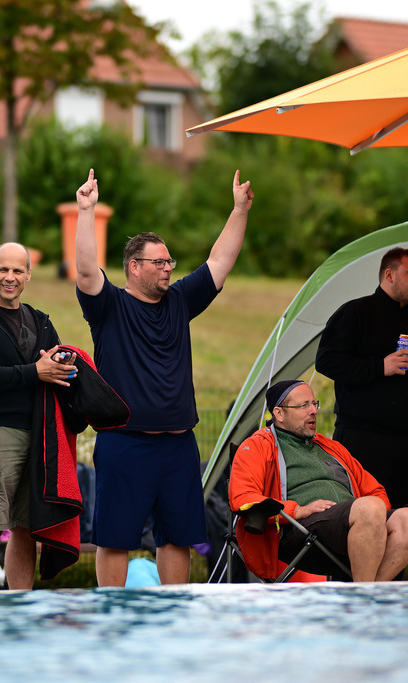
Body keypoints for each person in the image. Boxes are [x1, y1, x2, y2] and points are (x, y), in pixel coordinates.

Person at [74, 167, 254, 587]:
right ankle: (113, 615)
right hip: (124, 442)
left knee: (177, 539)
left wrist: (239, 210)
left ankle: (177, 615)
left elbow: (219, 262)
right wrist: (87, 211)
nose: (169, 268)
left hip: (178, 444)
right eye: (160, 262)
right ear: (134, 267)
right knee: (115, 540)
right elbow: (85, 271)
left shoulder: (179, 301)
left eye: (170, 261)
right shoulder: (109, 307)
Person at [0, 242, 77, 590]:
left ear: (28, 275)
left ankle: (20, 606)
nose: (10, 278)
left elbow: (55, 370)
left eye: (17, 271)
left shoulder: (41, 321)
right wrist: (34, 372)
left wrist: (65, 369)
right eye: (3, 270)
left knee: (27, 528)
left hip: (39, 436)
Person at [229, 379, 408, 581]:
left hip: (351, 523)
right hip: (298, 531)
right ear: (279, 414)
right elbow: (242, 497)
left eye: (314, 404)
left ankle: (368, 593)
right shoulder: (258, 445)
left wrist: (372, 519)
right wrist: (297, 510)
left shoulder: (331, 447)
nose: (313, 411)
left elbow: (375, 491)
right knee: (370, 507)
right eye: (303, 405)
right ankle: (367, 599)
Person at [315, 247, 408, 511]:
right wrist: (380, 367)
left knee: (405, 524)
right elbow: (327, 361)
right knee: (364, 522)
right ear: (389, 274)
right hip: (362, 441)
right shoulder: (355, 314)